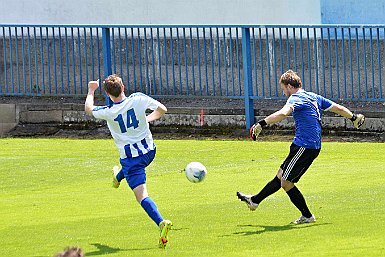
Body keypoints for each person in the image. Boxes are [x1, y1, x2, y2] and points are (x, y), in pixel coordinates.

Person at [237, 69, 365, 224]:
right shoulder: (313, 96)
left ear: (290, 86)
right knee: (281, 174)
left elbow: (283, 113)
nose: (284, 92)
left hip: (305, 146)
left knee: (286, 182)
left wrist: (261, 123)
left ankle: (307, 216)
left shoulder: (295, 98)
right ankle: (255, 200)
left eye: (284, 89)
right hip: (308, 145)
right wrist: (353, 117)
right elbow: (338, 108)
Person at [85, 74, 172, 248]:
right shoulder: (138, 98)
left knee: (142, 196)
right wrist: (147, 119)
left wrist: (91, 90)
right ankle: (117, 177)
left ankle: (161, 222)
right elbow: (163, 109)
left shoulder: (108, 112)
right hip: (150, 151)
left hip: (132, 160)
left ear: (108, 94)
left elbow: (89, 109)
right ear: (123, 87)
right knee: (126, 167)